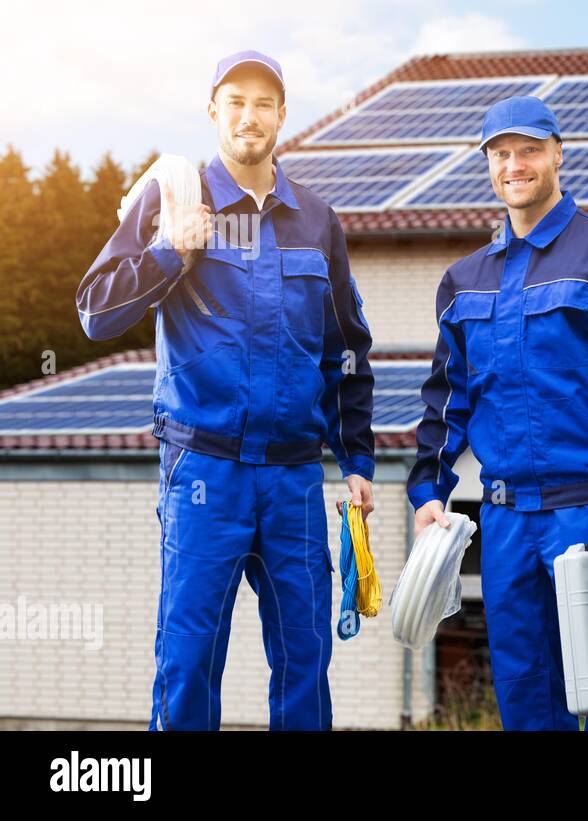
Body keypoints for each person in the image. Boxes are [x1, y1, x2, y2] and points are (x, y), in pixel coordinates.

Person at [75, 50, 376, 731]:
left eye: (263, 103)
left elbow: (347, 349)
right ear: (214, 110)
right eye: (235, 101)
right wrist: (167, 253)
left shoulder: (317, 221)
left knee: (306, 664)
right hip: (204, 472)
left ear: (281, 116)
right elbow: (95, 311)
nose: (249, 115)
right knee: (187, 665)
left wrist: (356, 459)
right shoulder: (173, 197)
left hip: (296, 478)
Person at [407, 96, 588, 731]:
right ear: (487, 165)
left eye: (529, 149)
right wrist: (428, 488)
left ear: (558, 153)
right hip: (504, 522)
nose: (514, 164)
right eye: (500, 153)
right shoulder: (464, 280)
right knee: (527, 701)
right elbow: (447, 395)